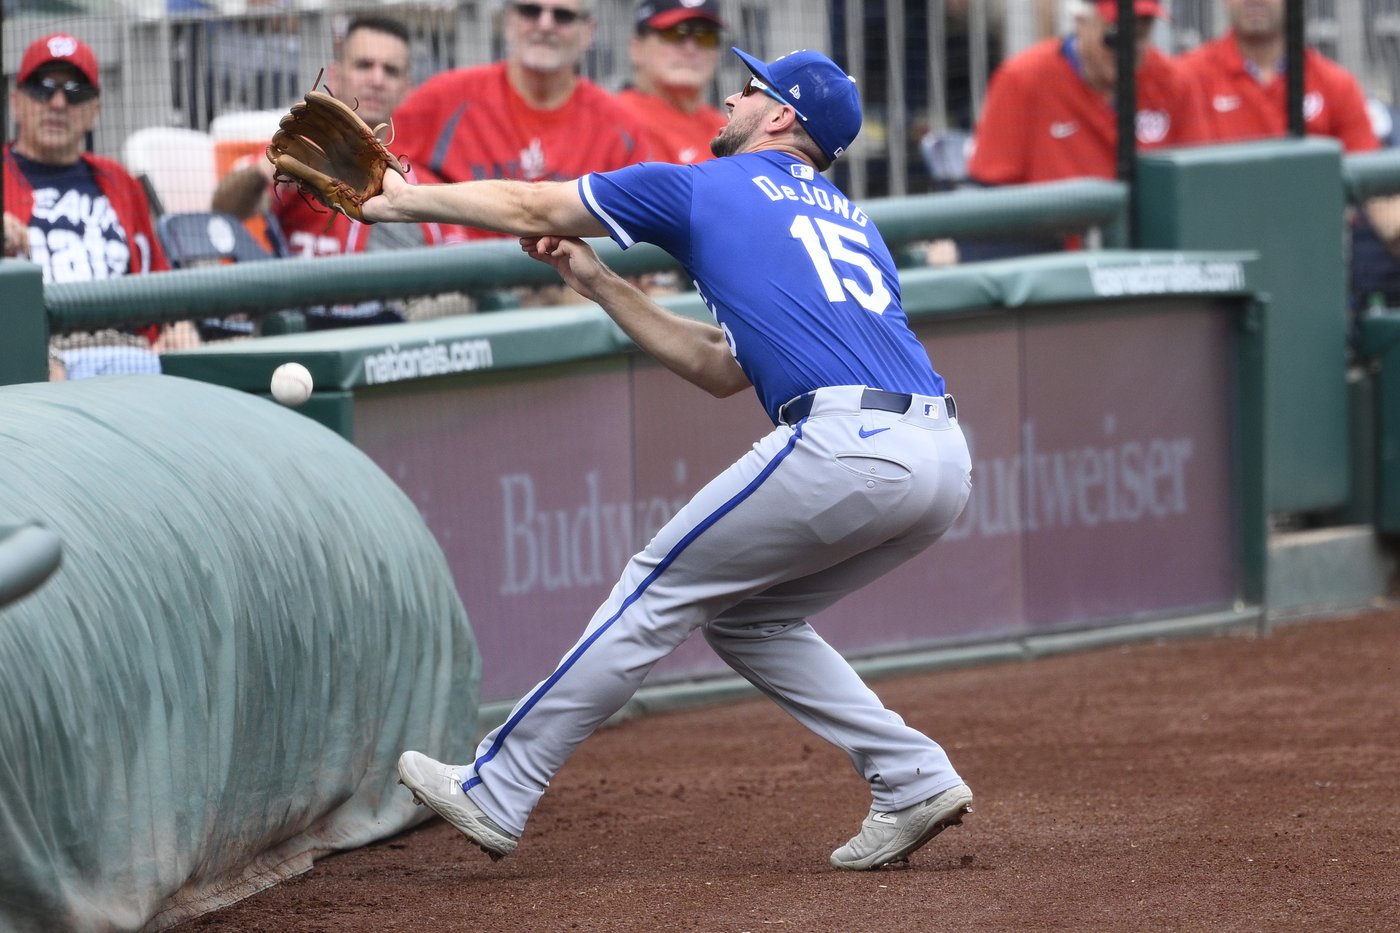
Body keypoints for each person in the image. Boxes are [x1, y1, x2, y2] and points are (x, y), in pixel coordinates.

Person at [380, 46, 976, 872]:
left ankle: (499, 783)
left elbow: (525, 200)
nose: (727, 98)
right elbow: (722, 369)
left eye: (749, 89)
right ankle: (911, 776)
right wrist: (596, 280)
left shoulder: (706, 184)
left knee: (654, 590)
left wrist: (402, 200)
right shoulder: (852, 220)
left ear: (781, 116)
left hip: (848, 441)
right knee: (747, 616)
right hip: (942, 456)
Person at [211, 15, 452, 328]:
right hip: (300, 324)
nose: (377, 79)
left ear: (406, 89)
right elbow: (223, 211)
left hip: (388, 334)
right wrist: (263, 171)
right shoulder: (298, 153)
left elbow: (459, 272)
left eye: (390, 70)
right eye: (364, 65)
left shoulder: (418, 181)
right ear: (336, 76)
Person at [1174, 0, 1400, 332]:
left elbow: (1379, 197)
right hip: (1214, 285)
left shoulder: (1334, 83)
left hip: (1310, 284)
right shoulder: (1184, 79)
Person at [3, 33, 198, 377]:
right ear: (16, 101)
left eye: (75, 91)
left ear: (95, 110)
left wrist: (178, 326)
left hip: (130, 356)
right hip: (35, 362)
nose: (58, 103)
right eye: (43, 88)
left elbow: (162, 284)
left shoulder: (119, 181)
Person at [389, 0, 649, 245]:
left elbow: (639, 227)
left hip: (576, 285)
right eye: (530, 11)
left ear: (588, 32)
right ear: (509, 20)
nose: (545, 25)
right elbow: (381, 169)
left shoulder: (621, 126)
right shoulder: (445, 98)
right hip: (467, 282)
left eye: (563, 16)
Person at [615, 0, 727, 166]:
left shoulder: (726, 128)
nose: (690, 49)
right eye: (674, 34)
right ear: (636, 49)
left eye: (706, 36)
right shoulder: (614, 121)